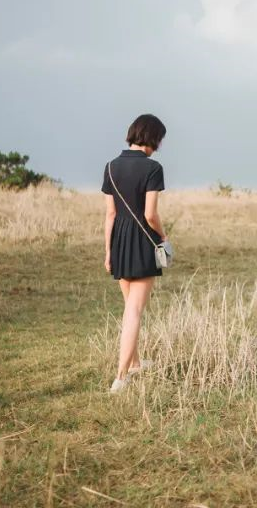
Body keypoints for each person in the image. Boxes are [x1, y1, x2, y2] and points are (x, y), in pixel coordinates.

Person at [101, 113, 168, 394]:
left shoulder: (110, 166)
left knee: (129, 307)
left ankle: (136, 364)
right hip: (142, 241)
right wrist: (163, 236)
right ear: (152, 138)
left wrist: (108, 253)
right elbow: (150, 214)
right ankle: (120, 377)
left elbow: (110, 214)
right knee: (135, 312)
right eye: (160, 140)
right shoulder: (153, 168)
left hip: (119, 242)